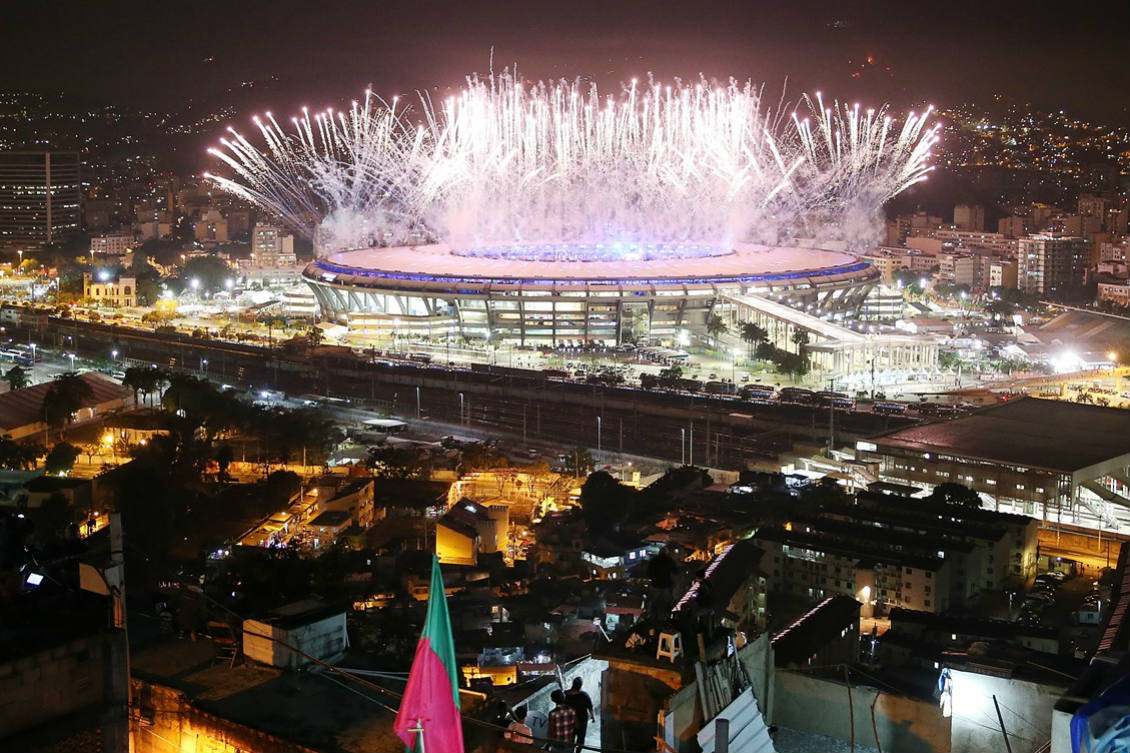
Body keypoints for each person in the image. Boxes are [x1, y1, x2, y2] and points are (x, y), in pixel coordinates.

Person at [564, 677, 595, 752]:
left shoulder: (566, 694)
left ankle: (570, 751)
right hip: (582, 720)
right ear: (580, 685)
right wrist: (593, 717)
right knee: (580, 739)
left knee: (570, 738)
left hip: (570, 720)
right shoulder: (584, 695)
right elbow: (590, 707)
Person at [646, 546, 679, 618]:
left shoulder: (654, 560)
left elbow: (648, 573)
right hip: (666, 585)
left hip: (655, 584)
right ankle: (667, 617)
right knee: (667, 602)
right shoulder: (670, 560)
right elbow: (676, 571)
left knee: (652, 601)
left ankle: (649, 615)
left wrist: (653, 578)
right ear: (667, 553)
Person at [547, 689, 576, 753]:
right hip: (569, 744)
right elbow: (576, 727)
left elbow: (550, 732)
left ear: (553, 700)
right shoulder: (572, 710)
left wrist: (548, 745)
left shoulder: (552, 713)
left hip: (557, 745)